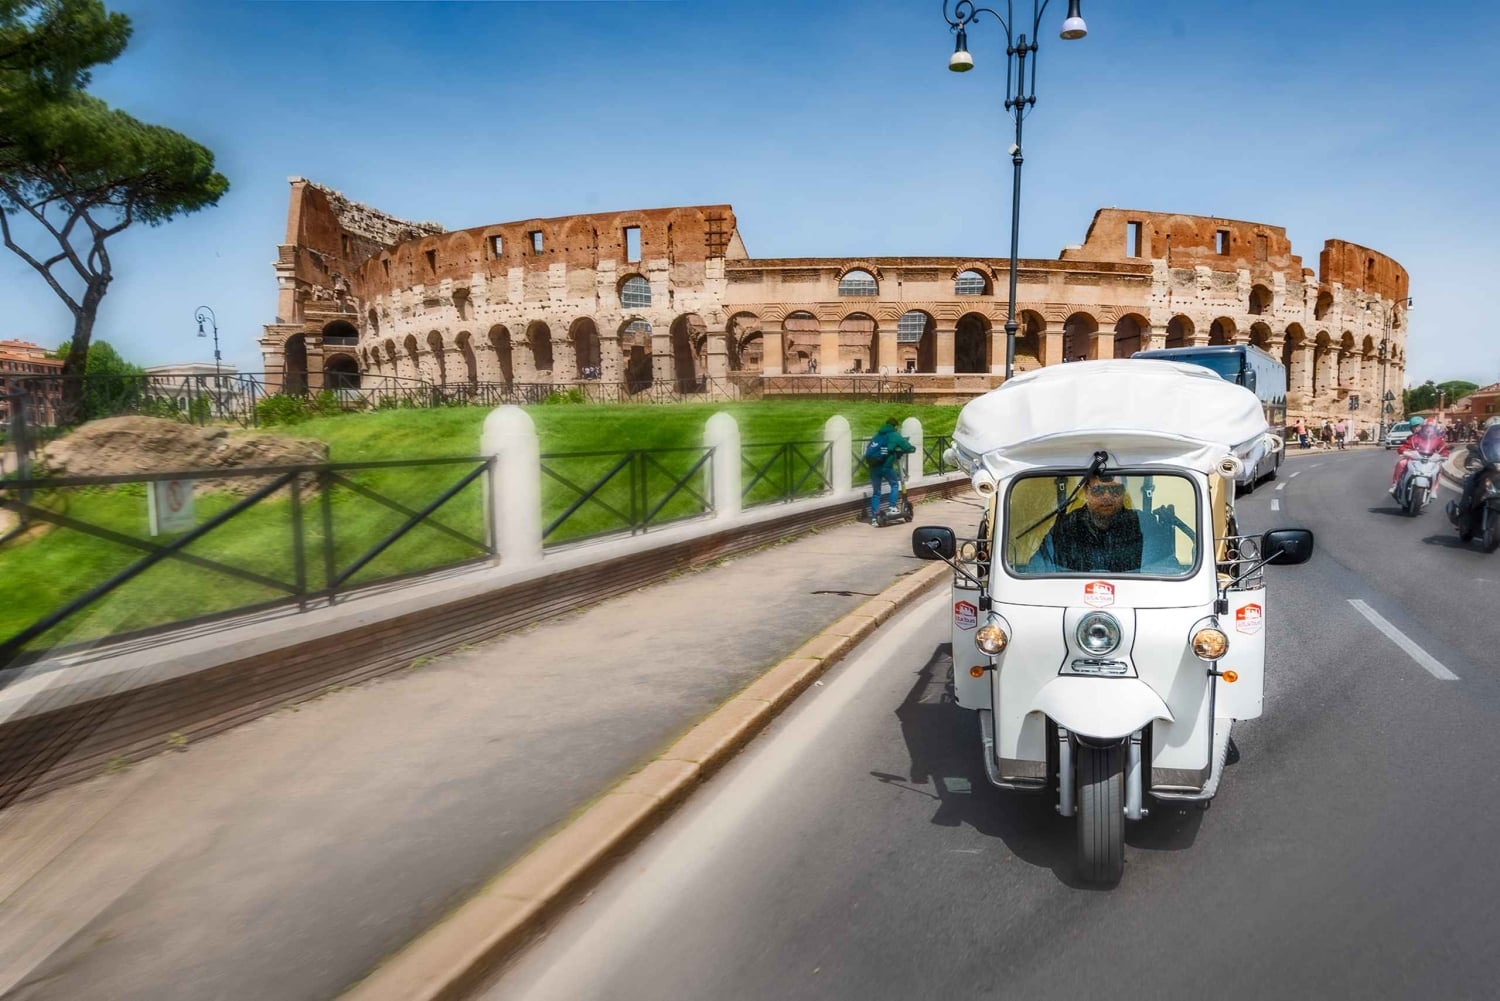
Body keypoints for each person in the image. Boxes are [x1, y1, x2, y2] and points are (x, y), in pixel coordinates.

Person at [1032, 473, 1144, 572]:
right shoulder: (1066, 526)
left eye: (1115, 490)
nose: (1106, 496)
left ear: (1124, 492)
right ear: (1086, 492)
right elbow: (1039, 567)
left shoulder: (1141, 525)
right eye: (1097, 490)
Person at [866, 417, 915, 524]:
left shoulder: (878, 435)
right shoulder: (894, 435)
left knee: (876, 492)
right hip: (885, 466)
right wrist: (911, 449)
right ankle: (892, 507)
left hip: (873, 466)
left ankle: (874, 518)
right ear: (895, 426)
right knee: (894, 484)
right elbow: (908, 447)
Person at [1389, 416, 1449, 494]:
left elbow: (1444, 449)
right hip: (1414, 459)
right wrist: (1403, 450)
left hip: (1430, 461)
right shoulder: (1415, 437)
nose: (1428, 430)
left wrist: (1444, 455)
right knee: (1401, 463)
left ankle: (1434, 489)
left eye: (1431, 428)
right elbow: (1404, 446)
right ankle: (1395, 484)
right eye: (1426, 427)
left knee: (1439, 468)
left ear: (1435, 429)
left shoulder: (1437, 439)